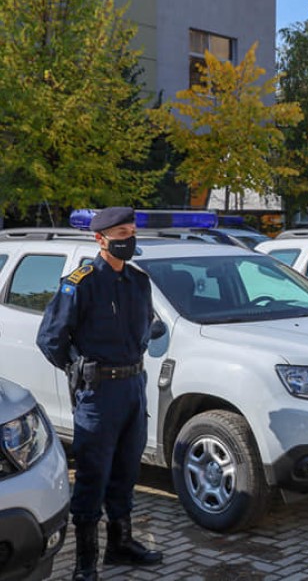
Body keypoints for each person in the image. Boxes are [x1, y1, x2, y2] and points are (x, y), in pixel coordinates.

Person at [37, 207, 162, 581]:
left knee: (126, 471)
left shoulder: (139, 281)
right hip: (99, 392)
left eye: (131, 230)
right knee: (94, 475)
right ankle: (86, 561)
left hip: (133, 390)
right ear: (100, 238)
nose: (129, 237)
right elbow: (50, 339)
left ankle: (120, 544)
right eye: (121, 231)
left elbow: (146, 328)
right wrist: (77, 368)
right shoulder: (81, 281)